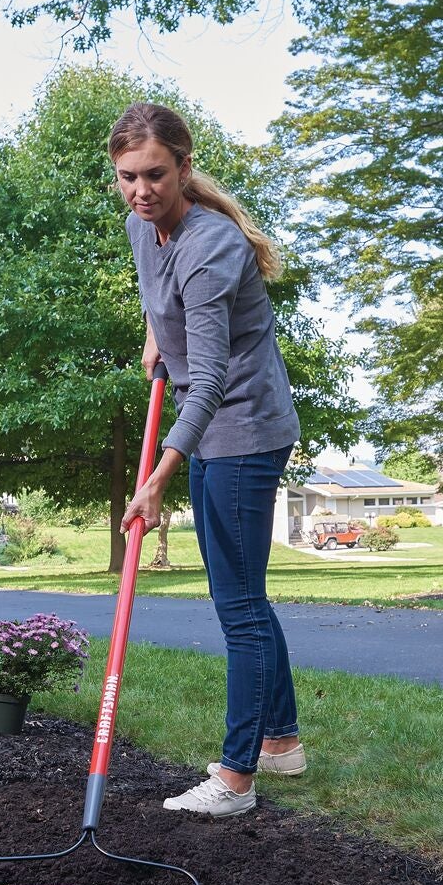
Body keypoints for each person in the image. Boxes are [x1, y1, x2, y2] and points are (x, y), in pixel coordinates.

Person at [111, 100, 307, 818]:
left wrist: (158, 477)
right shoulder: (142, 225)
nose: (141, 190)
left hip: (243, 428)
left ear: (185, 167)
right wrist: (157, 334)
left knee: (239, 608)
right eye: (128, 177)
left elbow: (214, 380)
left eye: (156, 174)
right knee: (246, 596)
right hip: (212, 420)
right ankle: (281, 743)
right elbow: (157, 292)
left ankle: (235, 779)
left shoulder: (213, 245)